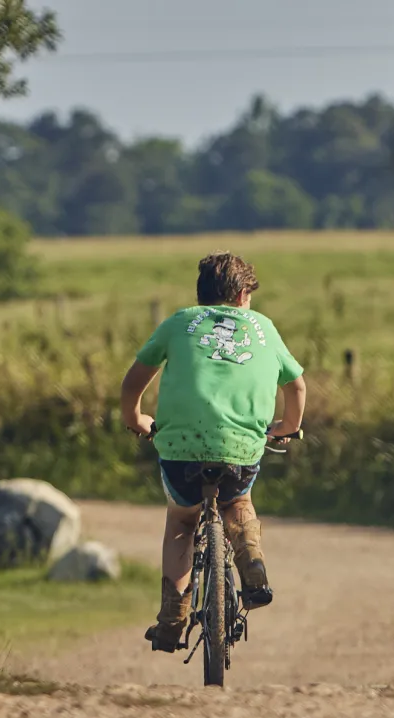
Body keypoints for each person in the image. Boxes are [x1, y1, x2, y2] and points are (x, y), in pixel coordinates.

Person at [120, 251, 307, 652]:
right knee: (238, 501)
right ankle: (251, 560)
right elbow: (296, 387)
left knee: (182, 523)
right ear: (242, 295)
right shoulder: (264, 328)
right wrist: (287, 428)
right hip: (241, 448)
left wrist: (136, 419)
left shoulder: (177, 322)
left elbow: (132, 382)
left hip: (181, 451)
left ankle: (173, 617)